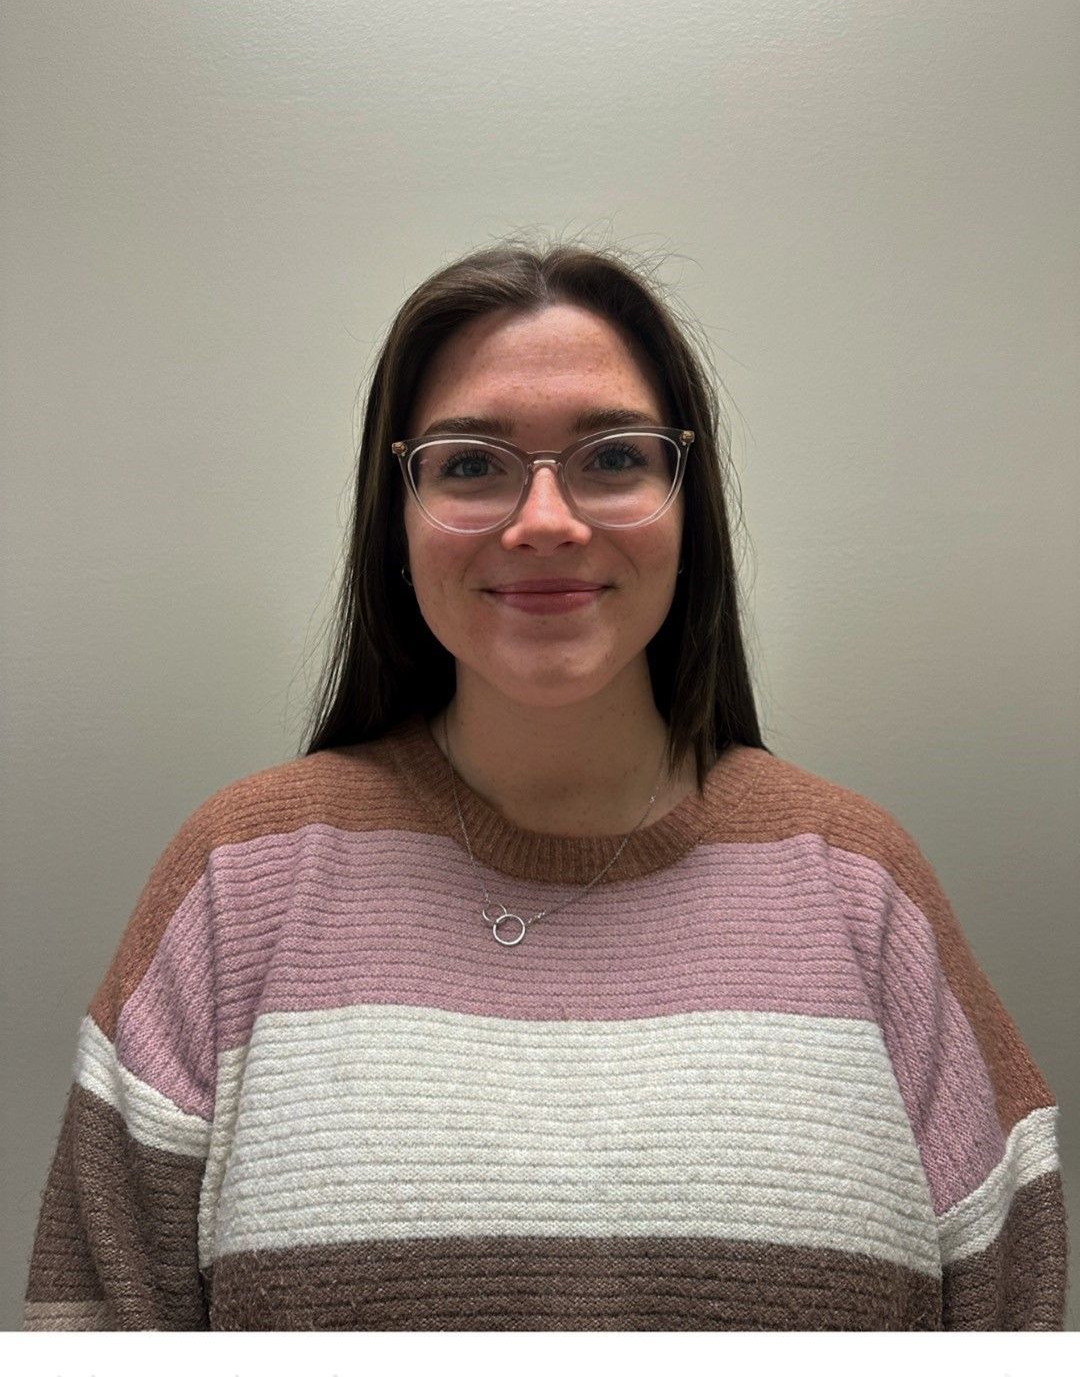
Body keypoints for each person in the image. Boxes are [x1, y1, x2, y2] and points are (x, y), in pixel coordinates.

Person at [23, 239, 1067, 1331]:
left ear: (684, 496)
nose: (547, 521)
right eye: (471, 464)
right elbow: (90, 1327)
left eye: (613, 457)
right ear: (400, 512)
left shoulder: (864, 885)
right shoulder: (237, 881)